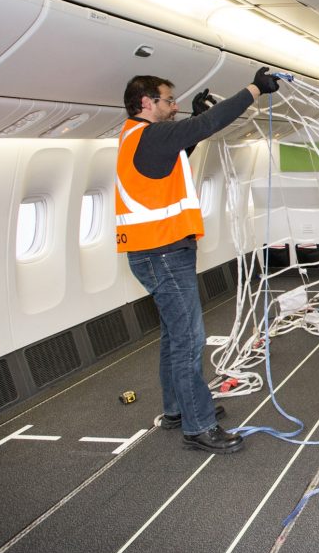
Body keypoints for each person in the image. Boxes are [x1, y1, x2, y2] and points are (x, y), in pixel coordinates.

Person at [116, 66, 282, 454]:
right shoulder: (149, 135)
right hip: (162, 254)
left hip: (157, 252)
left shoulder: (137, 138)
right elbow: (207, 126)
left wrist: (189, 117)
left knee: (175, 337)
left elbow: (182, 147)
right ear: (146, 103)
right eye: (168, 101)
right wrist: (255, 89)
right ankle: (198, 426)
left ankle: (178, 409)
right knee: (189, 340)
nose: (172, 108)